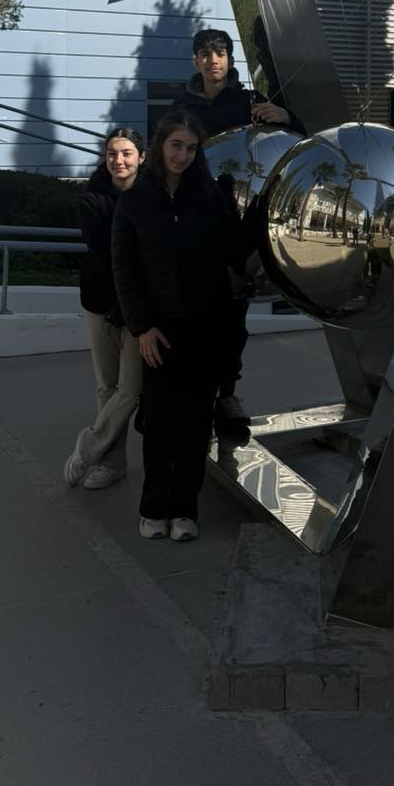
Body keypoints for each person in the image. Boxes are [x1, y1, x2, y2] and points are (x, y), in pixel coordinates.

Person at [111, 108, 244, 542]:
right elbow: (125, 270)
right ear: (159, 146)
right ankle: (153, 507)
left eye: (190, 148)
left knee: (195, 425)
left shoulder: (208, 196)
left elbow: (232, 252)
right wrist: (142, 327)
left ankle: (185, 509)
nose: (182, 155)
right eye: (175, 145)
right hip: (159, 332)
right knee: (159, 426)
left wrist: (239, 209)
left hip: (204, 329)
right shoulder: (135, 200)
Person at [179, 27, 305, 427]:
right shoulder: (181, 107)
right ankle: (193, 396)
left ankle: (227, 395)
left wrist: (287, 117)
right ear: (195, 60)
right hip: (194, 227)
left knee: (233, 321)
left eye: (220, 52)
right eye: (205, 53)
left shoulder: (250, 101)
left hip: (237, 229)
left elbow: (295, 143)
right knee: (192, 318)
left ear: (230, 59)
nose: (213, 59)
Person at [64, 127, 147, 491]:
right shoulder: (93, 200)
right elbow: (112, 252)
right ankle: (112, 464)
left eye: (127, 153)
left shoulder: (154, 196)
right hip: (100, 303)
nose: (119, 160)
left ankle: (89, 447)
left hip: (140, 309)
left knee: (130, 389)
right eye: (113, 153)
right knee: (106, 387)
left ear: (142, 157)